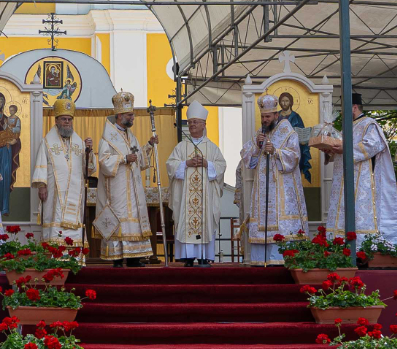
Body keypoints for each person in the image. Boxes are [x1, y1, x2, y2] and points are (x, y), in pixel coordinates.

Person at [316, 95, 397, 241]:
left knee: (357, 213)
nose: (341, 112)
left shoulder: (369, 124)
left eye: (343, 108)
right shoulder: (347, 127)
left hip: (360, 181)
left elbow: (372, 146)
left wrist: (344, 148)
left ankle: (359, 247)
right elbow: (340, 150)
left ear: (354, 107)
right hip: (343, 179)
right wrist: (329, 150)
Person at [240, 93, 307, 262]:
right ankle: (261, 259)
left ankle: (279, 258)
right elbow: (247, 159)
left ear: (276, 115)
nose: (264, 120)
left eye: (268, 116)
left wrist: (276, 152)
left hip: (281, 189)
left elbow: (295, 157)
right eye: (263, 117)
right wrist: (257, 145)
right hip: (262, 190)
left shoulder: (288, 131)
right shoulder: (260, 133)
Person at [95, 91, 156, 265]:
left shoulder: (132, 137)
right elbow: (104, 162)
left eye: (133, 114)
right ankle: (117, 257)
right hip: (117, 189)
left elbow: (140, 160)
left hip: (133, 189)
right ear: (120, 115)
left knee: (134, 218)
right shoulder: (107, 139)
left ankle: (134, 257)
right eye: (130, 115)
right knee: (120, 218)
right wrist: (123, 159)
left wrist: (150, 145)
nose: (133, 118)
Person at [165, 112, 226, 266]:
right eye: (190, 122)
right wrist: (186, 163)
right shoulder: (181, 147)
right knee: (186, 220)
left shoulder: (212, 147)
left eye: (196, 122)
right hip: (186, 196)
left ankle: (204, 256)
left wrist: (207, 164)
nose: (192, 125)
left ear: (204, 124)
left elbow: (221, 166)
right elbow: (170, 165)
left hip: (206, 197)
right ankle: (188, 257)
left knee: (205, 221)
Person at [30, 96, 89, 246]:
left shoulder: (79, 142)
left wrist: (89, 151)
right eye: (63, 119)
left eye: (69, 119)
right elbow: (41, 163)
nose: (67, 122)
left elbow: (88, 168)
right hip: (54, 191)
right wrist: (42, 185)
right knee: (55, 218)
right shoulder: (47, 141)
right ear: (56, 121)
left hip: (75, 191)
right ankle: (54, 255)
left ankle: (74, 257)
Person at [0, 93, 20, 216]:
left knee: (5, 177)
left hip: (6, 150)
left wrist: (15, 140)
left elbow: (14, 135)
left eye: (1, 102)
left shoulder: (7, 119)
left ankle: (4, 208)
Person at [277, 93, 310, 182]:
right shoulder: (276, 116)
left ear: (290, 102)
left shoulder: (296, 117)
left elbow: (301, 131)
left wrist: (303, 140)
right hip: (279, 150)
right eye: (282, 101)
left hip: (293, 149)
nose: (284, 103)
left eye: (286, 101)